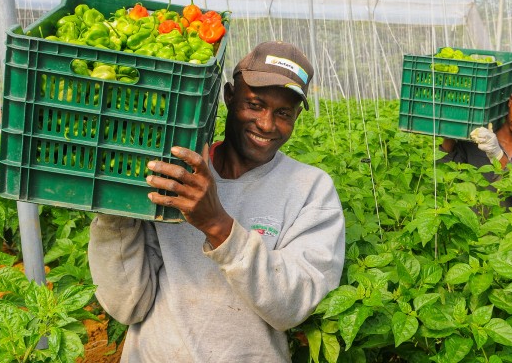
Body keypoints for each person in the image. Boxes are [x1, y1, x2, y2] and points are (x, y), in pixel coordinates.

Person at [88, 41, 346, 362]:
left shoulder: (310, 189)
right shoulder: (174, 172)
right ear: (228, 96)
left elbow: (293, 305)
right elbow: (127, 305)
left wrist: (218, 225)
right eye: (254, 105)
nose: (266, 124)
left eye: (283, 113)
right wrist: (115, 212)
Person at [440, 76, 512, 205]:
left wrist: (497, 155)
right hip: (471, 224)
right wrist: (449, 130)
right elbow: (443, 175)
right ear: (511, 101)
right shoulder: (477, 138)